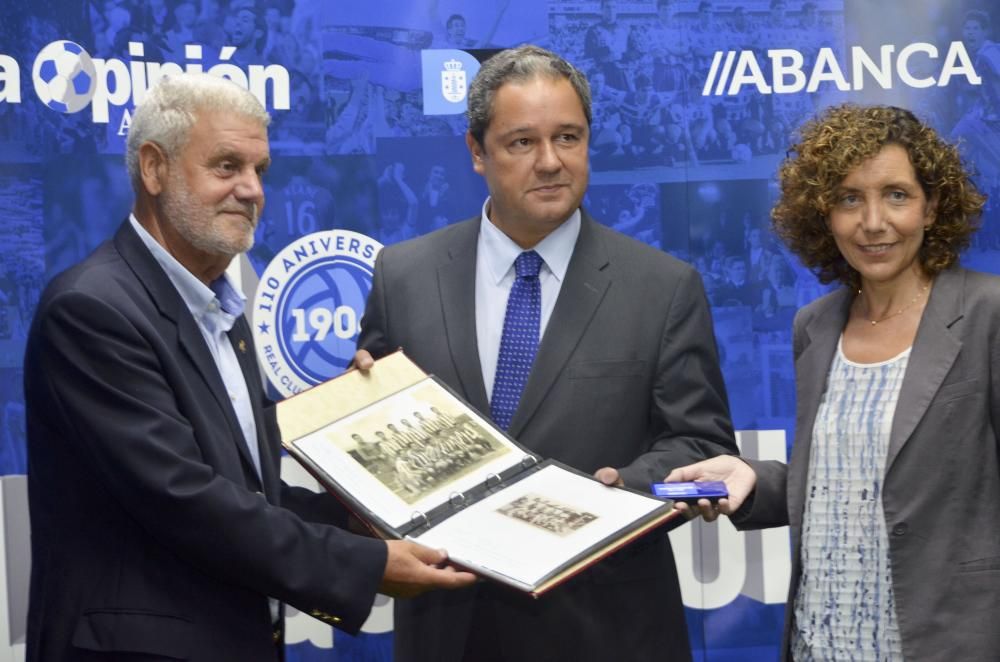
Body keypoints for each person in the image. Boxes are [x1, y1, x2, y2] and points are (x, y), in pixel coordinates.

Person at [23, 72, 475, 662]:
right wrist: (367, 565)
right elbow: (187, 501)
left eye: (260, 170)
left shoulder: (222, 309)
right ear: (154, 169)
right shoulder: (91, 310)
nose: (252, 189)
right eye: (227, 166)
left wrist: (368, 514)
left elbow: (251, 492)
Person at [353, 45, 737, 662]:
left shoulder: (663, 287)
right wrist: (356, 417)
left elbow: (702, 445)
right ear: (477, 152)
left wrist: (614, 491)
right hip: (449, 628)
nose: (551, 162)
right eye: (522, 143)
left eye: (568, 137)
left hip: (608, 628)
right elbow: (374, 442)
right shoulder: (403, 276)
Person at [667, 104, 999, 660]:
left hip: (940, 640)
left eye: (896, 194)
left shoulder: (987, 313)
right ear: (823, 213)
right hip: (823, 637)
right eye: (849, 198)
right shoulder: (815, 326)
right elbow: (841, 480)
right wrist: (750, 479)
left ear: (932, 205)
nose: (873, 222)